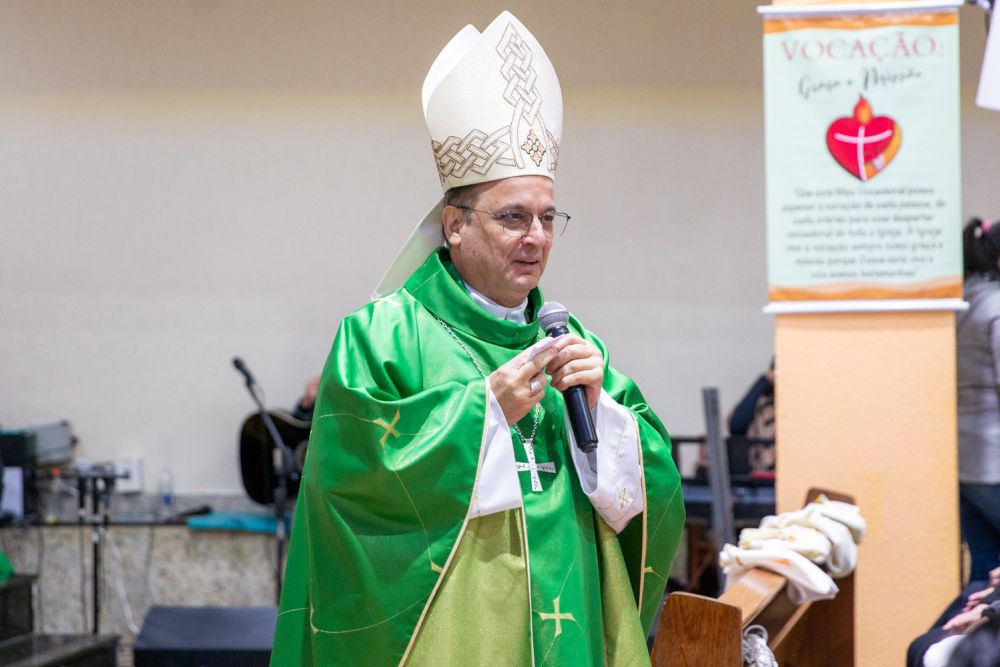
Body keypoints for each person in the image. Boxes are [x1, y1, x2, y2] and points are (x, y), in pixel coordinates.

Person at [270, 12, 685, 665]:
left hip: (568, 624)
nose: (536, 238)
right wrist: (483, 412)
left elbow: (652, 490)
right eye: (513, 217)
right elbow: (349, 488)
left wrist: (606, 414)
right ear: (455, 225)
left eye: (548, 217)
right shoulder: (381, 336)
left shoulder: (572, 343)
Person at [957, 217, 1000, 584]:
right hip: (995, 458)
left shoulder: (963, 302)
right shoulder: (997, 306)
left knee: (984, 569)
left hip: (966, 459)